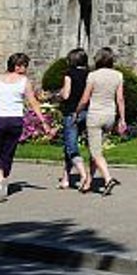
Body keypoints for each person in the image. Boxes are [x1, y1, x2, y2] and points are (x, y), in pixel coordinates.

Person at [0, 52, 45, 201]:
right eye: (25, 66)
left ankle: (1, 179)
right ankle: (4, 179)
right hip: (15, 120)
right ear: (17, 66)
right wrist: (44, 122)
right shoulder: (24, 82)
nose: (26, 69)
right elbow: (33, 103)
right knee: (8, 152)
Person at [81, 46, 128, 195]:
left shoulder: (93, 76)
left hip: (95, 115)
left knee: (96, 152)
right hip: (109, 115)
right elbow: (120, 99)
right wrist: (122, 118)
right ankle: (88, 181)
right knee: (95, 150)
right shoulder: (118, 75)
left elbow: (85, 98)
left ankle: (107, 178)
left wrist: (77, 110)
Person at [56, 47, 91, 191]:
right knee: (68, 147)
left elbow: (66, 94)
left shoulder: (69, 74)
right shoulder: (89, 74)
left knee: (71, 146)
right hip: (87, 111)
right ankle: (66, 178)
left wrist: (59, 95)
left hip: (72, 112)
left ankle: (83, 174)